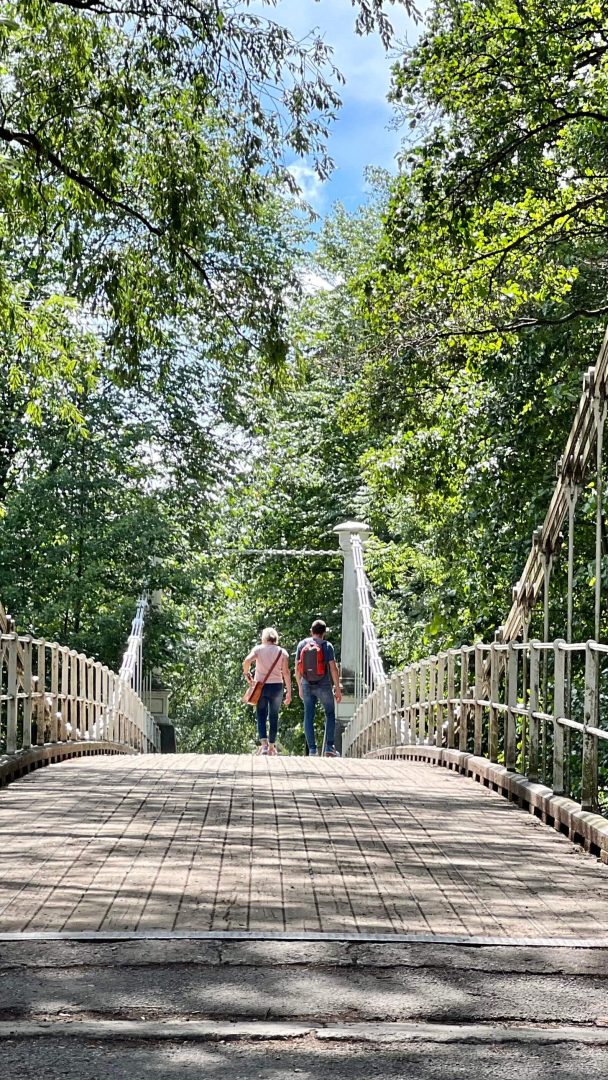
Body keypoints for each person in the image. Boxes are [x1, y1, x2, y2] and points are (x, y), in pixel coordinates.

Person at [295, 618, 342, 757]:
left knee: (308, 715)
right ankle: (329, 747)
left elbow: (297, 669)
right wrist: (337, 688)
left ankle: (313, 750)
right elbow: (333, 668)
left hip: (306, 684)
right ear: (324, 633)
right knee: (330, 713)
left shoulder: (302, 644)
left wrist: (299, 686)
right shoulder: (327, 646)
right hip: (324, 684)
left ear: (311, 631)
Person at [243, 627, 291, 755]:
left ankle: (263, 745)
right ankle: (271, 745)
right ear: (276, 638)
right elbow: (286, 673)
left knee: (261, 715)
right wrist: (289, 692)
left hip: (261, 687)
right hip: (277, 687)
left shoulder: (258, 649)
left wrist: (247, 674)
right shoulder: (282, 652)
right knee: (274, 716)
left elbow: (247, 661)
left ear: (264, 638)